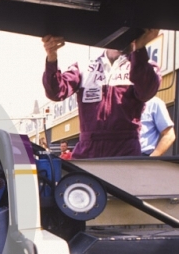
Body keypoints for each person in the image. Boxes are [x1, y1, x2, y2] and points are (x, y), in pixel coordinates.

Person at [42, 30, 161, 159]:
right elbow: (56, 92)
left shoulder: (143, 66)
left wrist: (139, 49)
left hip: (125, 152)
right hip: (87, 150)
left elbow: (146, 92)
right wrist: (51, 56)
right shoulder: (84, 66)